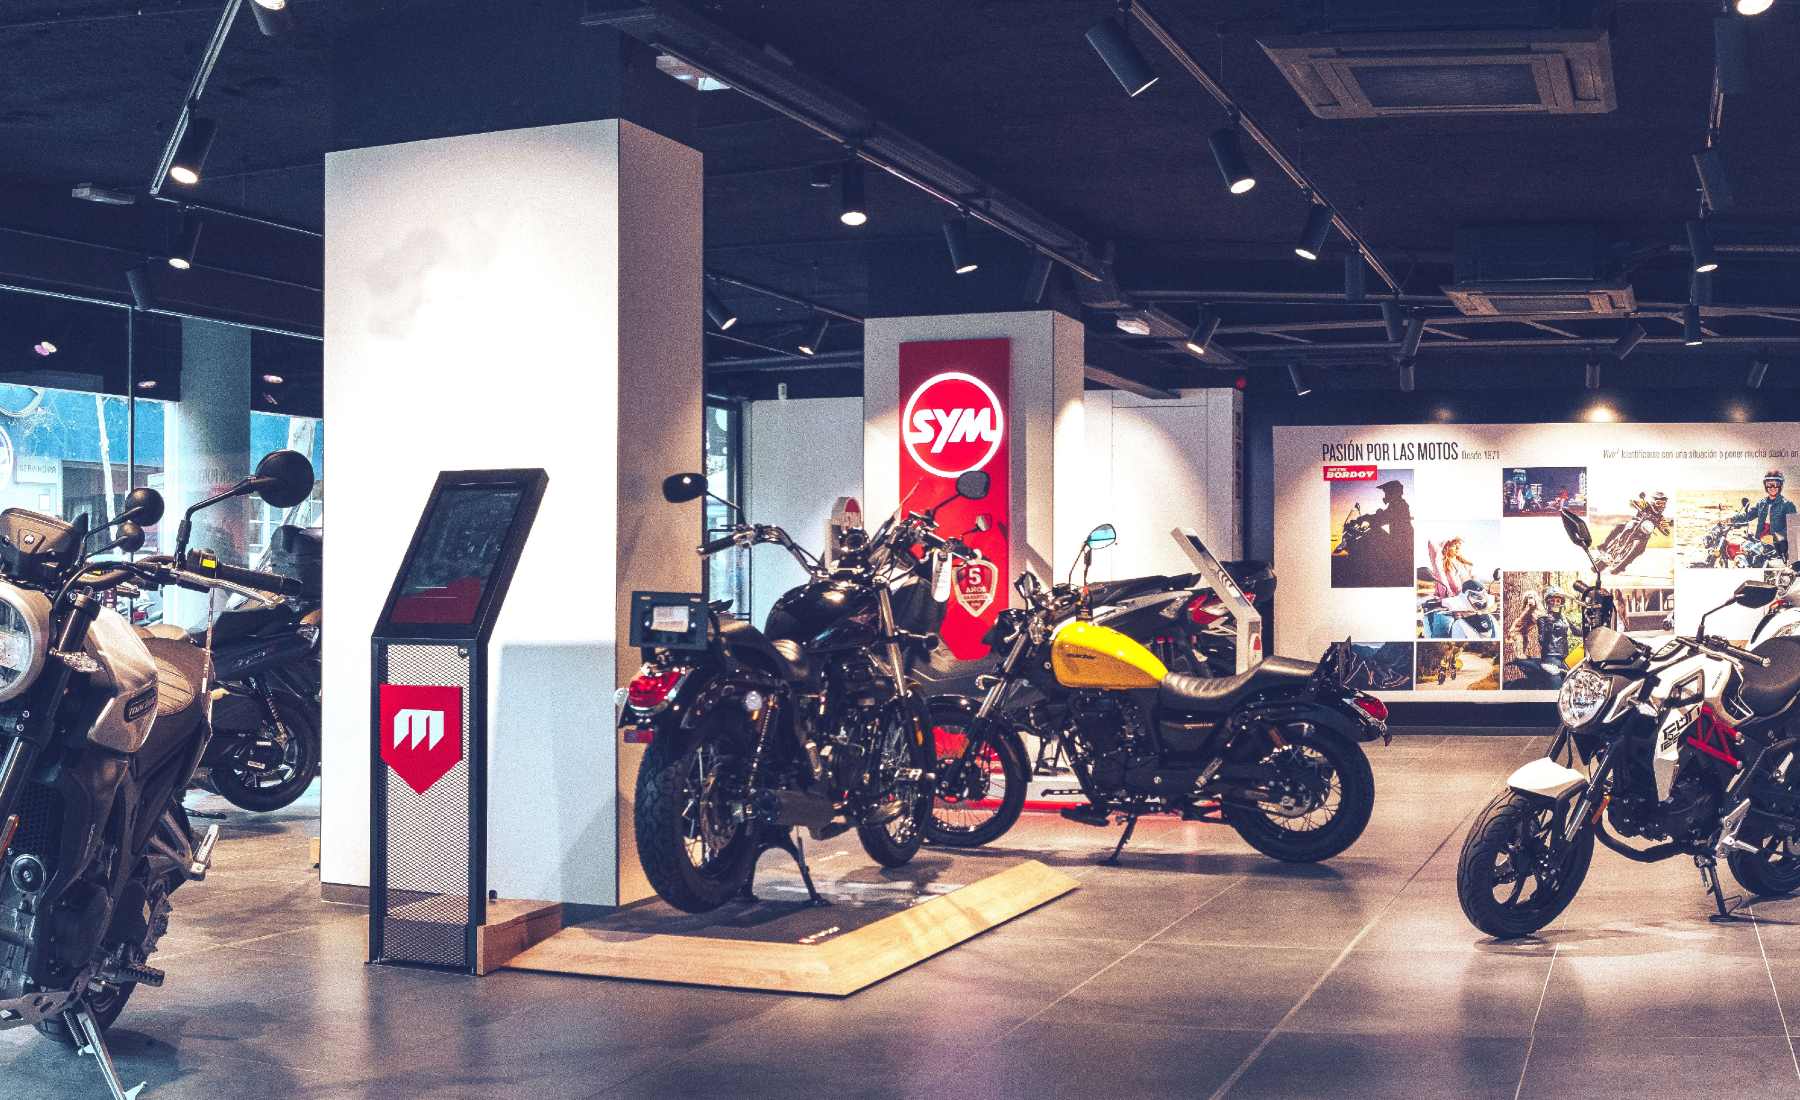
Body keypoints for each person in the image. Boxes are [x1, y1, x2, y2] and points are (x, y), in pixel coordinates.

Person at [1731, 470, 1797, 562]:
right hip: (1760, 540)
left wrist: (1775, 537)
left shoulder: (1788, 505)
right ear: (1765, 486)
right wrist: (1731, 519)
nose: (1772, 487)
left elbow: (1793, 529)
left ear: (1780, 486)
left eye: (1776, 484)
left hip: (1778, 545)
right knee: (1745, 554)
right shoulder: (1762, 503)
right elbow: (1748, 515)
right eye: (1769, 484)